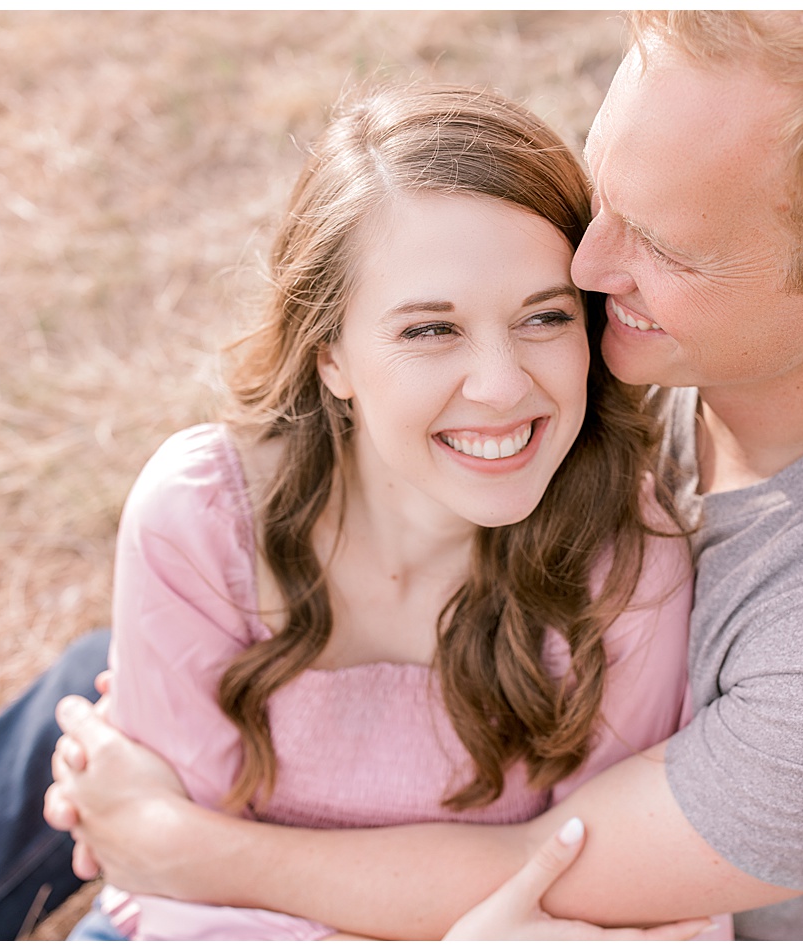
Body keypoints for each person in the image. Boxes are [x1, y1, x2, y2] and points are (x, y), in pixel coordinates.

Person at [0, 10, 803, 941]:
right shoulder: (704, 325)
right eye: (604, 194)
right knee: (107, 681)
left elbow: (547, 874)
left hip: (630, 913)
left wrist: (182, 849)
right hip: (505, 713)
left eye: (663, 243)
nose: (584, 263)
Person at [55, 85, 720, 941]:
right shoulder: (205, 517)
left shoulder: (624, 561)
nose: (502, 385)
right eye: (430, 331)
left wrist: (188, 846)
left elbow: (634, 900)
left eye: (544, 317)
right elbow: (165, 893)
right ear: (331, 353)